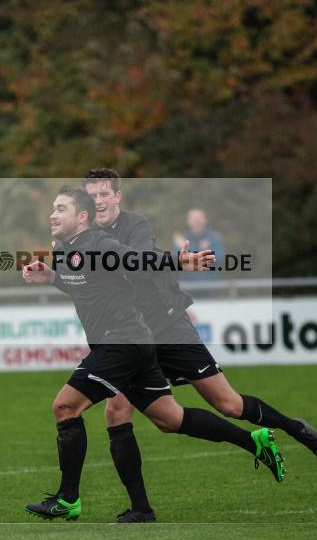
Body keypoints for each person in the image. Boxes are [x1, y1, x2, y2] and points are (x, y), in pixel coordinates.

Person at [83, 168, 317, 523]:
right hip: (132, 336)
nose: (98, 201)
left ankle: (297, 429)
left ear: (117, 197)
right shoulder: (88, 236)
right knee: (125, 413)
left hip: (166, 324)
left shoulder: (135, 225)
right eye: (91, 196)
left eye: (103, 194)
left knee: (229, 404)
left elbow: (135, 263)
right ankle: (141, 509)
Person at [21, 186, 285, 522]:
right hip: (134, 343)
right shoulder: (67, 250)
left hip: (123, 342)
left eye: (61, 208)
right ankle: (253, 444)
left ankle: (68, 499)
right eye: (52, 208)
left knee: (65, 406)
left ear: (82, 217)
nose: (52, 214)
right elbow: (83, 285)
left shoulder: (99, 243)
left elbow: (139, 259)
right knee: (170, 419)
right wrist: (51, 277)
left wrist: (179, 260)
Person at [173, 208, 225, 281]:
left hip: (211, 286)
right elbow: (175, 263)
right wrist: (180, 248)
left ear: (205, 220)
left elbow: (221, 259)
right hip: (187, 287)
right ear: (188, 222)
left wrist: (207, 252)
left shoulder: (214, 238)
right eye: (193, 220)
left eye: (198, 220)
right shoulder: (182, 241)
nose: (196, 223)